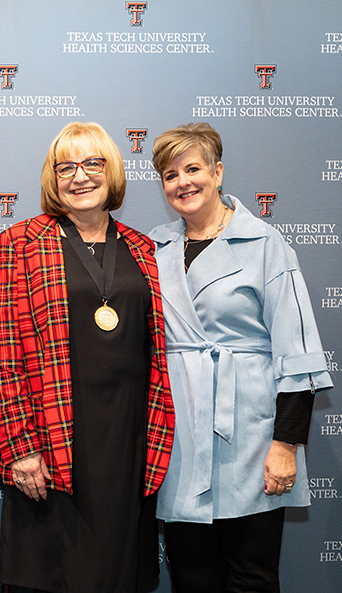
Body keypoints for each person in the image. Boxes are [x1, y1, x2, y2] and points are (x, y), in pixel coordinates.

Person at [0, 121, 176, 593]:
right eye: (66, 166)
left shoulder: (143, 247)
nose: (80, 176)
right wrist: (20, 445)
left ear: (112, 172)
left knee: (117, 575)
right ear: (53, 178)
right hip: (51, 442)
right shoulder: (21, 241)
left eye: (93, 163)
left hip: (129, 441)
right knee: (48, 575)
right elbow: (4, 349)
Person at [148, 122, 333, 593]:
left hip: (252, 441)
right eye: (170, 174)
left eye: (193, 169)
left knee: (251, 576)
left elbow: (299, 353)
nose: (183, 182)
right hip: (180, 441)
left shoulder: (266, 244)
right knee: (191, 577)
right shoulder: (152, 247)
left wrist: (286, 446)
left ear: (218, 172)